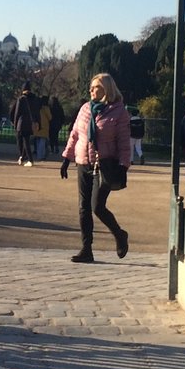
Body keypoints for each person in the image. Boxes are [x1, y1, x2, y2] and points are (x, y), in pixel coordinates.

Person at [60, 73, 131, 263]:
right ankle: (87, 249)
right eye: (91, 87)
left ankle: (119, 234)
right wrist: (67, 157)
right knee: (83, 207)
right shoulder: (85, 109)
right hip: (83, 161)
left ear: (106, 89)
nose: (91, 90)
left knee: (97, 206)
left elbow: (124, 142)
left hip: (104, 164)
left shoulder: (118, 112)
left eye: (95, 87)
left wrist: (123, 165)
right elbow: (75, 133)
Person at [11, 82, 36, 167]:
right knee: (27, 140)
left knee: (23, 142)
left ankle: (29, 159)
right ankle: (22, 157)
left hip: (22, 123)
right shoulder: (34, 99)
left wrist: (15, 123)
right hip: (30, 122)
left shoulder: (21, 99)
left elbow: (17, 113)